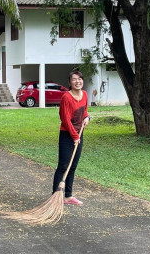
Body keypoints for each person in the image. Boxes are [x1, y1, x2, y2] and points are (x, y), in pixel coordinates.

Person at [52, 70, 90, 205]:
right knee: (63, 166)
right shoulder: (66, 97)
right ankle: (55, 198)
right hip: (67, 135)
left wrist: (87, 117)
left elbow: (84, 111)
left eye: (80, 79)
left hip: (79, 135)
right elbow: (65, 119)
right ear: (70, 82)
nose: (77, 81)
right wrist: (74, 136)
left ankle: (68, 196)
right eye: (74, 79)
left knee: (73, 167)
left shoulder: (84, 94)